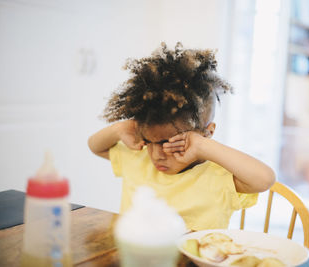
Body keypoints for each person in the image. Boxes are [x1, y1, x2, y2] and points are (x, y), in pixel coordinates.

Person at [88, 42, 275, 230]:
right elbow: (95, 146)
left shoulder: (216, 178)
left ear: (207, 133)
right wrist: (120, 128)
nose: (156, 155)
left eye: (170, 143)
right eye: (149, 140)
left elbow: (264, 179)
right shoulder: (138, 158)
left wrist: (202, 146)